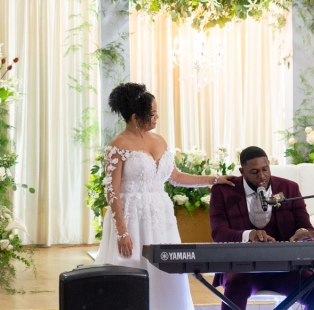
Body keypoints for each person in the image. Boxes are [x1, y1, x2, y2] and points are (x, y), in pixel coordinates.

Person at [95, 82, 235, 310]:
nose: (157, 117)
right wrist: (122, 232)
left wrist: (213, 179)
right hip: (132, 218)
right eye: (152, 113)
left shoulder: (159, 140)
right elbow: (112, 192)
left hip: (160, 217)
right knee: (133, 271)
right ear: (134, 115)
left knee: (166, 273)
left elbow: (176, 176)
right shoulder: (118, 145)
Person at [208, 146, 314, 310]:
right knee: (235, 287)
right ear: (242, 171)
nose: (262, 176)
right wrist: (249, 234)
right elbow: (218, 233)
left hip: (285, 267)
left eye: (265, 169)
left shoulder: (289, 188)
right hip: (242, 267)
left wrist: (302, 233)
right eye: (254, 172)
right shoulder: (223, 191)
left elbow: (304, 224)